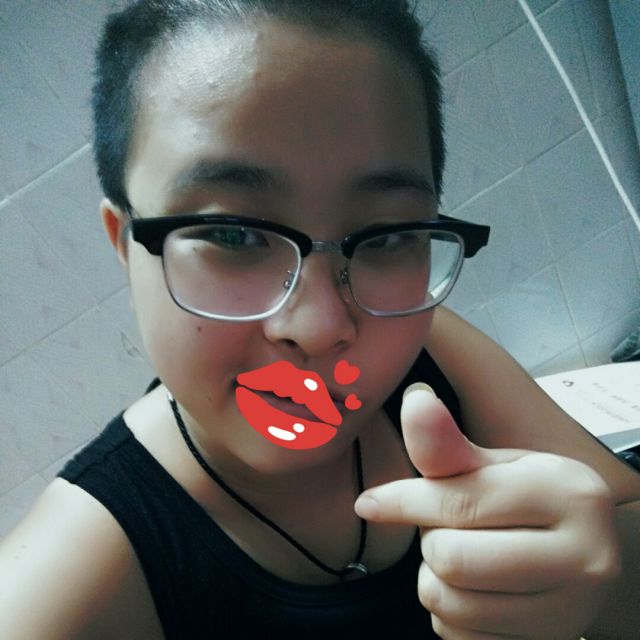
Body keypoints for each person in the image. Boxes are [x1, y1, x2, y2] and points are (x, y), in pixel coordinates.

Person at [1, 1, 638, 638]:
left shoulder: (431, 348)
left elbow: (619, 513)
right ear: (125, 242)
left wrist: (596, 580)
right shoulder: (67, 583)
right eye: (233, 233)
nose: (320, 326)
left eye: (387, 236)